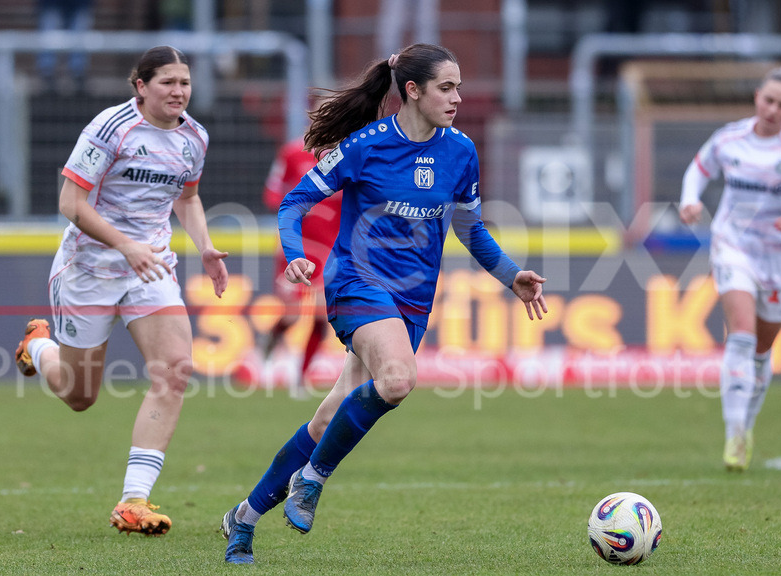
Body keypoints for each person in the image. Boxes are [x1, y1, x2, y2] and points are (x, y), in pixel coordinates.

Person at [220, 43, 548, 564]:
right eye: (447, 87)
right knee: (398, 379)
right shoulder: (364, 145)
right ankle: (313, 479)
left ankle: (243, 517)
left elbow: (471, 229)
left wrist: (513, 277)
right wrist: (295, 255)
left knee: (327, 422)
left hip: (412, 304)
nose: (458, 97)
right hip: (357, 282)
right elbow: (294, 203)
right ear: (412, 91)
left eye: (459, 87)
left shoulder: (460, 151)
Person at [13, 45, 228, 535]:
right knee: (79, 395)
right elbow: (71, 202)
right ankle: (37, 344)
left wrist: (206, 247)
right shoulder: (111, 128)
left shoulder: (194, 136)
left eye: (185, 83)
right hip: (88, 268)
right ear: (141, 86)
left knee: (175, 370)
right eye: (168, 82)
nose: (179, 92)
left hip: (148, 267)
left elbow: (188, 199)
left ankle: (134, 501)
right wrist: (124, 244)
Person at [678, 65, 781, 472]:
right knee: (741, 336)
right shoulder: (730, 138)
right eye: (768, 100)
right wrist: (690, 200)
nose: (772, 110)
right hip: (734, 246)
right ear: (757, 97)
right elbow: (698, 169)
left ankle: (747, 427)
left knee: (762, 351)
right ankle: (733, 433)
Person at [260, 130, 343, 396]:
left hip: (329, 249)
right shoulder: (293, 153)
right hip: (294, 247)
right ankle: (271, 341)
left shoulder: (351, 157)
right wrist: (296, 204)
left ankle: (301, 377)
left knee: (321, 315)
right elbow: (272, 194)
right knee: (292, 314)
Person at [37, 0, 94, 92]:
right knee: (50, 36)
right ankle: (47, 78)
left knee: (79, 37)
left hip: (80, 4)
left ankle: (78, 76)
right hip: (51, 4)